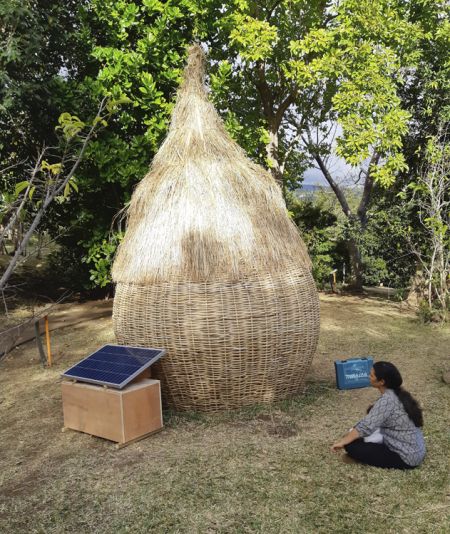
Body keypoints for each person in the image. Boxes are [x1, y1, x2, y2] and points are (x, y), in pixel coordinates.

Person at [331, 361, 426, 469]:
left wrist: (343, 442)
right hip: (417, 450)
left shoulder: (387, 400)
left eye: (371, 375)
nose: (369, 376)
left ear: (381, 382)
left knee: (351, 445)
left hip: (406, 457)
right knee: (355, 436)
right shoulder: (398, 393)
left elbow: (365, 427)